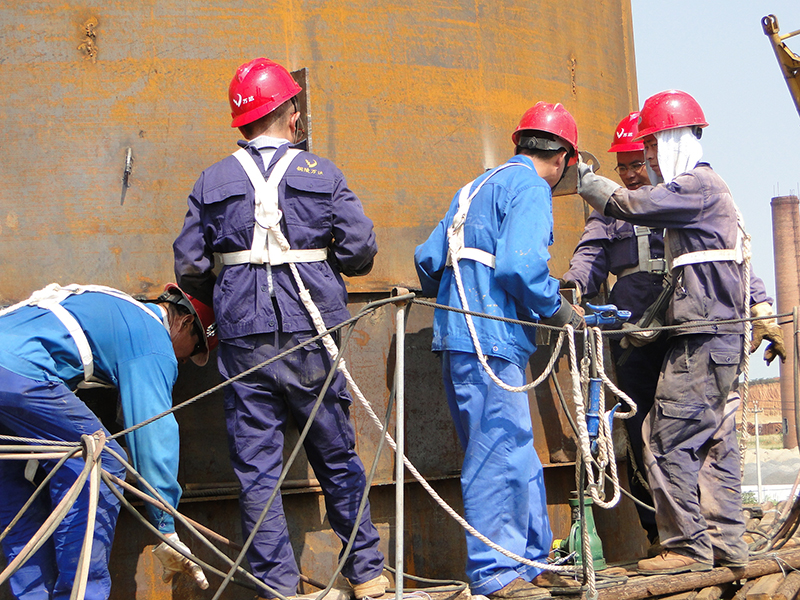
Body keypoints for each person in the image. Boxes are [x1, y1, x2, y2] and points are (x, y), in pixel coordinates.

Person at [172, 57, 386, 600]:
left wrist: (233, 286)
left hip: (243, 339)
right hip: (313, 334)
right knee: (335, 453)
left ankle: (278, 587)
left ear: (243, 121)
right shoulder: (322, 173)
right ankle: (367, 574)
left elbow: (190, 265)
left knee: (257, 468)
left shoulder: (212, 180)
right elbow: (361, 251)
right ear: (292, 113)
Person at [575, 90, 786, 576]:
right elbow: (734, 256)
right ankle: (725, 543)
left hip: (699, 337)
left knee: (665, 436)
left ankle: (686, 547)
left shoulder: (691, 187)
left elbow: (627, 203)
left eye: (649, 149)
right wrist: (762, 311)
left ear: (672, 141)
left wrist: (581, 177)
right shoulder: (708, 190)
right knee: (714, 440)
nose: (645, 161)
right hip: (701, 336)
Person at [415, 102, 584, 599]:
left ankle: (530, 561)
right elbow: (520, 267)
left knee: (516, 449)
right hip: (491, 337)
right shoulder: (531, 186)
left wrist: (461, 286)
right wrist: (560, 311)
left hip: (462, 336)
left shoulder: (473, 188)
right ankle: (495, 572)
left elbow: (428, 260)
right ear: (563, 159)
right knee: (497, 452)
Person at [0, 282, 215, 599]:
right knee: (100, 461)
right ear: (185, 322)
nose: (183, 362)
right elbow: (153, 434)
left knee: (13, 485)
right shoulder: (152, 339)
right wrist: (166, 528)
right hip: (19, 371)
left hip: (10, 366)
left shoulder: (115, 306)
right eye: (194, 350)